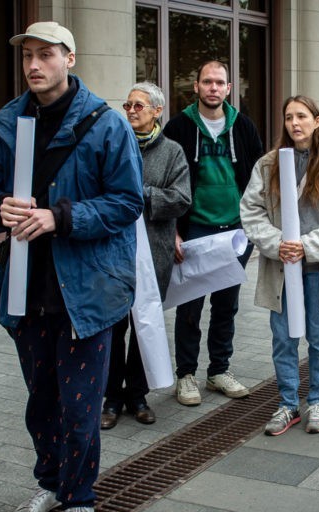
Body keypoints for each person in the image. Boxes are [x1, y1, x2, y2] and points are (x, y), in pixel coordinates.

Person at [0, 22, 143, 512]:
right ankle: (50, 484)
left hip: (87, 290)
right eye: (28, 55)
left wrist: (59, 217)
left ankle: (80, 498)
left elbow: (127, 202)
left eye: (45, 54)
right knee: (41, 400)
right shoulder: (7, 122)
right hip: (26, 286)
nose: (33, 65)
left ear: (70, 58)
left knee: (81, 405)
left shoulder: (107, 125)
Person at [240, 95, 319, 436]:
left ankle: (317, 401)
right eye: (289, 117)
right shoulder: (268, 165)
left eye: (302, 116)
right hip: (282, 267)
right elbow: (250, 211)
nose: (294, 123)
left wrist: (308, 246)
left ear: (317, 121)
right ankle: (288, 403)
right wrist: (278, 244)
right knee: (283, 339)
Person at [163, 60, 264, 407]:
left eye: (219, 82)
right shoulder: (178, 127)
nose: (213, 88)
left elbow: (258, 180)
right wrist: (173, 231)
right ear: (196, 86)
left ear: (228, 88)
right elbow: (167, 182)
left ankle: (219, 369)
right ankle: (186, 374)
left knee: (226, 306)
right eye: (207, 81)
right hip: (194, 229)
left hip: (235, 231)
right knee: (189, 307)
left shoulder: (244, 127)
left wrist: (253, 227)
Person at [101, 82, 191, 430]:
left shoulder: (172, 152)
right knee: (113, 327)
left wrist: (143, 195)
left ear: (157, 111)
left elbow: (181, 199)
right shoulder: (113, 145)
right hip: (114, 253)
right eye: (127, 105)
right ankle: (111, 398)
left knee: (145, 325)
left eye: (139, 106)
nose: (131, 111)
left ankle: (137, 396)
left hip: (154, 253)